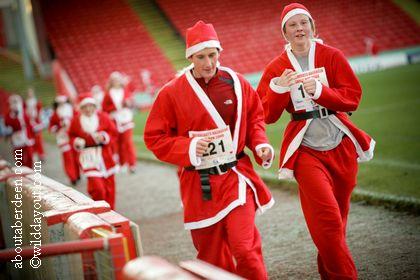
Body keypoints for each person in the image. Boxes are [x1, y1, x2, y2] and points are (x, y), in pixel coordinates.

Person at [144, 20, 275, 280]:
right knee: (211, 260)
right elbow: (154, 138)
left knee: (244, 249)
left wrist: (260, 143)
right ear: (191, 57)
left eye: (212, 55)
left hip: (236, 178)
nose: (208, 62)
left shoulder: (237, 83)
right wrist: (190, 147)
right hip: (198, 185)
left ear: (219, 53)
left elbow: (254, 119)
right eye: (201, 56)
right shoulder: (171, 93)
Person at [257, 3, 375, 280]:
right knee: (329, 220)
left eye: (303, 23)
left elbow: (352, 98)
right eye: (292, 25)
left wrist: (321, 91)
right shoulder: (276, 67)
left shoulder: (331, 55)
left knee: (338, 220)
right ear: (284, 33)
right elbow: (267, 115)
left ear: (312, 26)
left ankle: (330, 273)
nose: (299, 29)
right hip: (306, 149)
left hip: (341, 143)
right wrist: (279, 89)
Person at [68, 93, 118, 209]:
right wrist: (76, 141)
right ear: (81, 108)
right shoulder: (76, 121)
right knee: (97, 188)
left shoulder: (103, 117)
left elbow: (113, 133)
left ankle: (111, 212)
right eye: (85, 107)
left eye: (90, 106)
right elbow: (71, 136)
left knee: (109, 187)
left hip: (105, 156)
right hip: (88, 157)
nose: (88, 109)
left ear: (94, 106)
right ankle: (100, 210)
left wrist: (104, 137)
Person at [102, 71, 137, 173]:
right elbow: (104, 108)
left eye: (118, 80)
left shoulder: (125, 90)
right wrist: (117, 107)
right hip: (114, 120)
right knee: (118, 143)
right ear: (111, 82)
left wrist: (128, 103)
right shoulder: (108, 94)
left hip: (126, 119)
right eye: (114, 80)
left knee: (128, 142)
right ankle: (122, 163)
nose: (116, 82)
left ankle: (132, 164)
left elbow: (130, 102)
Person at [49, 95, 80, 186]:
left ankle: (77, 174)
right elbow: (51, 127)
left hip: (73, 137)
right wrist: (59, 126)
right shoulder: (55, 114)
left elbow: (78, 120)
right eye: (60, 103)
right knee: (67, 158)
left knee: (75, 157)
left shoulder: (72, 110)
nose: (62, 104)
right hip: (63, 138)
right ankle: (72, 177)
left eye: (63, 102)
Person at [4, 95, 35, 167]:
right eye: (13, 103)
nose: (15, 105)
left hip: (26, 138)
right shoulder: (9, 115)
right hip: (16, 139)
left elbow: (29, 124)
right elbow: (8, 126)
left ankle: (30, 171)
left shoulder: (24, 113)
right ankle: (22, 173)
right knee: (19, 160)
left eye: (16, 102)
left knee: (30, 157)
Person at [25, 88, 45, 161]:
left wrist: (40, 122)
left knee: (38, 139)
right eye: (28, 93)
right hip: (30, 122)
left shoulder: (36, 101)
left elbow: (40, 112)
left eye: (31, 92)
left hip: (37, 121)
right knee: (32, 139)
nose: (30, 94)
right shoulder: (26, 102)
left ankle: (41, 154)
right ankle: (34, 153)